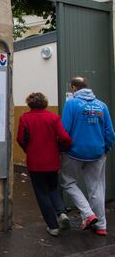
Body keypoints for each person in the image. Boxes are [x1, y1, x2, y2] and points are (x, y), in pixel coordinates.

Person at [60, 77, 115, 236]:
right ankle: (101, 226)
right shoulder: (102, 105)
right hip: (98, 154)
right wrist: (106, 149)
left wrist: (63, 149)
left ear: (73, 88)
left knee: (68, 181)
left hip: (74, 153)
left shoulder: (71, 104)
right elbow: (110, 133)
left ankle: (88, 214)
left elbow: (65, 130)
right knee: (96, 188)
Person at [17, 92, 72, 236]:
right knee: (53, 188)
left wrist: (28, 149)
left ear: (29, 103)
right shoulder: (53, 117)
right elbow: (65, 137)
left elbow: (20, 139)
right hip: (52, 161)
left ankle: (53, 226)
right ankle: (61, 212)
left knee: (42, 193)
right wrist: (62, 148)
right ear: (45, 103)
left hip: (35, 162)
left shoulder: (25, 118)